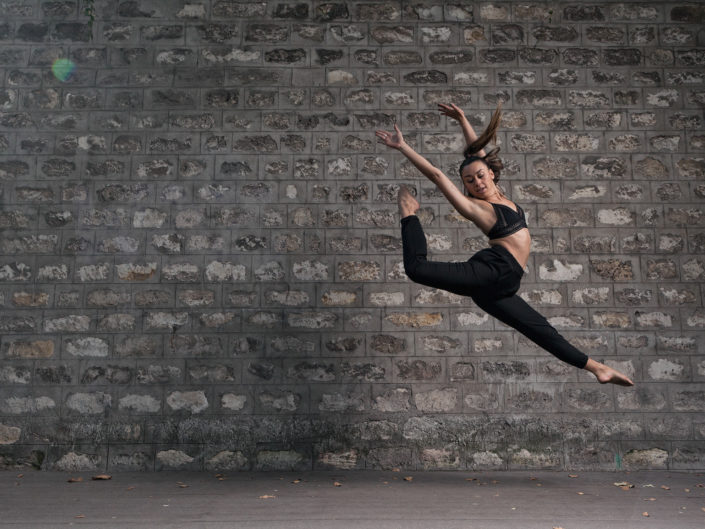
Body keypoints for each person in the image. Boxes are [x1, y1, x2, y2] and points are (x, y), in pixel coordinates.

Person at [375, 103, 634, 386]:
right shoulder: (478, 208)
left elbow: (476, 153)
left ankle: (597, 368)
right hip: (493, 270)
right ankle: (408, 211)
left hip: (503, 284)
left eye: (480, 175)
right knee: (416, 269)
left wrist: (462, 118)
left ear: (492, 173)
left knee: (539, 330)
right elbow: (437, 175)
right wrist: (403, 148)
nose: (477, 182)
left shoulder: (501, 195)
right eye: (469, 181)